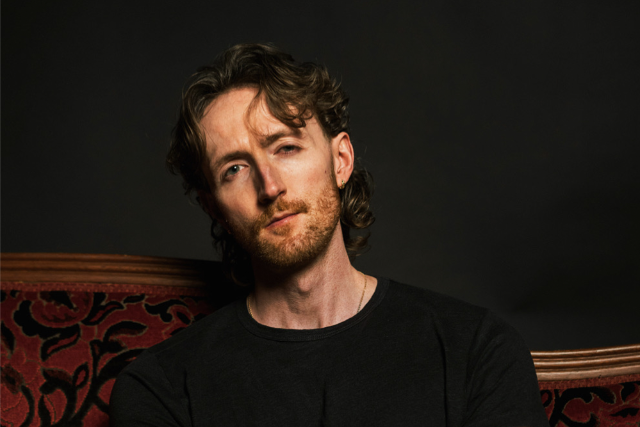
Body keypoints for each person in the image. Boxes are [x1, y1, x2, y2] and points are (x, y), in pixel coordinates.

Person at [110, 43, 548, 426]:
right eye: (235, 169)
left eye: (286, 147)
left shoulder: (475, 350)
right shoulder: (162, 389)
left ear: (340, 161)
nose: (269, 186)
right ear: (214, 208)